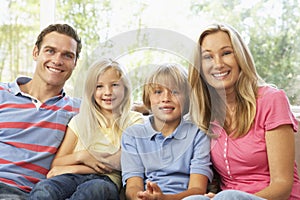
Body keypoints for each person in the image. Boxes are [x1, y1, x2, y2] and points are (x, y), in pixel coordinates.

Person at [185, 23, 300, 200]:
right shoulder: (206, 113)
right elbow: (172, 104)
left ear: (241, 57)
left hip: (275, 198)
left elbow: (282, 186)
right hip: (228, 198)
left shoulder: (271, 100)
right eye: (208, 57)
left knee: (228, 197)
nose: (218, 64)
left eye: (226, 53)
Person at [29, 58, 144, 200]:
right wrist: (82, 156)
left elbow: (121, 160)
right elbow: (57, 163)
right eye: (99, 86)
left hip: (105, 181)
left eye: (114, 85)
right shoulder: (79, 121)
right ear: (91, 91)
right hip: (69, 177)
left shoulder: (134, 120)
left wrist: (75, 167)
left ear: (125, 88)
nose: (107, 92)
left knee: (95, 190)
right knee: (44, 189)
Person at [0, 23, 82, 200]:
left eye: (67, 55)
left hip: (30, 194)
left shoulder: (78, 109)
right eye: (50, 51)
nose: (57, 60)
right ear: (36, 53)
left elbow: (119, 106)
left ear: (75, 63)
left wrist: (146, 104)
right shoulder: (2, 94)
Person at [121, 63, 213, 200]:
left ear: (187, 99)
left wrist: (164, 199)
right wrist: (142, 197)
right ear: (148, 98)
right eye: (158, 92)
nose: (166, 98)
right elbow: (133, 187)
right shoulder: (133, 136)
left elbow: (198, 189)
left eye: (175, 92)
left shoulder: (198, 134)